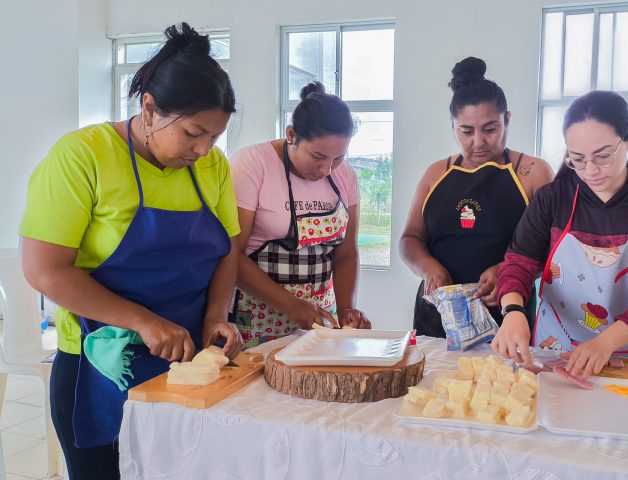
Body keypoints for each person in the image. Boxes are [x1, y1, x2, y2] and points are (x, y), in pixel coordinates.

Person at [19, 23, 243, 480]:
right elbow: (45, 271)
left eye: (214, 138)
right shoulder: (83, 156)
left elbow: (226, 252)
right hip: (99, 368)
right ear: (149, 107)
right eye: (192, 134)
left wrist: (216, 315)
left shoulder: (212, 167)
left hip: (188, 361)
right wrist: (143, 320)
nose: (203, 150)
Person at [492, 90, 628, 377]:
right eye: (577, 159)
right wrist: (512, 311)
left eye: (603, 156)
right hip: (557, 352)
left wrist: (605, 343)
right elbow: (518, 264)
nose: (590, 171)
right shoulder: (552, 199)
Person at [400, 57, 553, 338]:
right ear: (453, 127)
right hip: (439, 314)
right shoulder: (437, 173)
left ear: (507, 120)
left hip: (507, 314)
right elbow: (409, 240)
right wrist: (429, 269)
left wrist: (509, 271)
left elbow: (552, 248)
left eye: (490, 128)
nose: (478, 141)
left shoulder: (532, 173)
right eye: (466, 131)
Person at [230, 81, 371, 348]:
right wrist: (292, 306)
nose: (327, 169)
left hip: (318, 322)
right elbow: (232, 256)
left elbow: (346, 253)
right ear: (291, 134)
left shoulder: (345, 176)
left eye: (339, 157)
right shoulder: (253, 164)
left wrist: (346, 311)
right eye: (318, 156)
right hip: (257, 320)